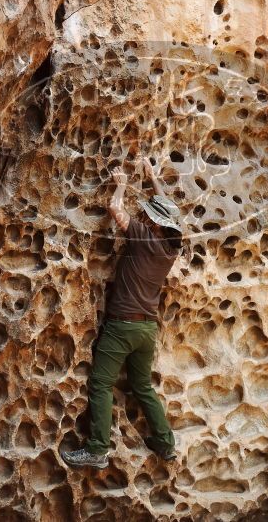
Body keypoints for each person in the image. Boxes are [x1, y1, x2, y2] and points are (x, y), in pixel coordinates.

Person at [61, 157, 183, 469]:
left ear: (154, 223)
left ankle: (97, 449)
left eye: (149, 214)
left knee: (101, 384)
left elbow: (116, 211)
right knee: (142, 386)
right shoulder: (171, 248)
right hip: (146, 330)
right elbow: (168, 210)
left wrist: (121, 186)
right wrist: (152, 177)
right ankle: (166, 443)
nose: (144, 214)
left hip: (122, 326)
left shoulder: (142, 236)